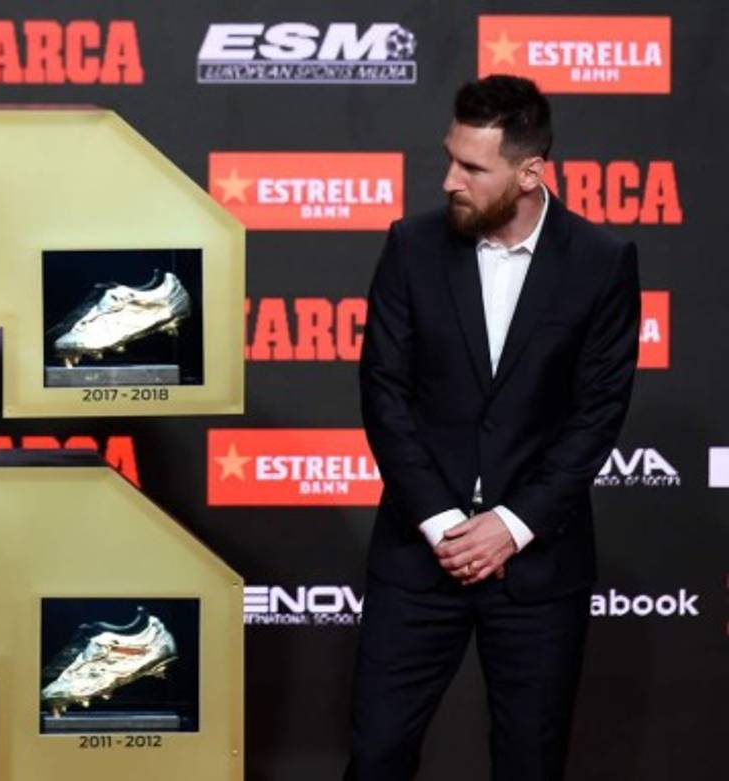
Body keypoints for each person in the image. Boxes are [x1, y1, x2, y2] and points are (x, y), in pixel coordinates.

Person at [346, 75, 640, 780]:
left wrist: (510, 523)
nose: (451, 179)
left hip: (537, 565)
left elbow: (596, 413)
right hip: (422, 556)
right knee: (377, 755)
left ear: (531, 172)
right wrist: (446, 523)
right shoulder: (411, 247)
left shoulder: (601, 263)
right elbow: (383, 392)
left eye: (473, 167)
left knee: (529, 763)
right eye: (450, 158)